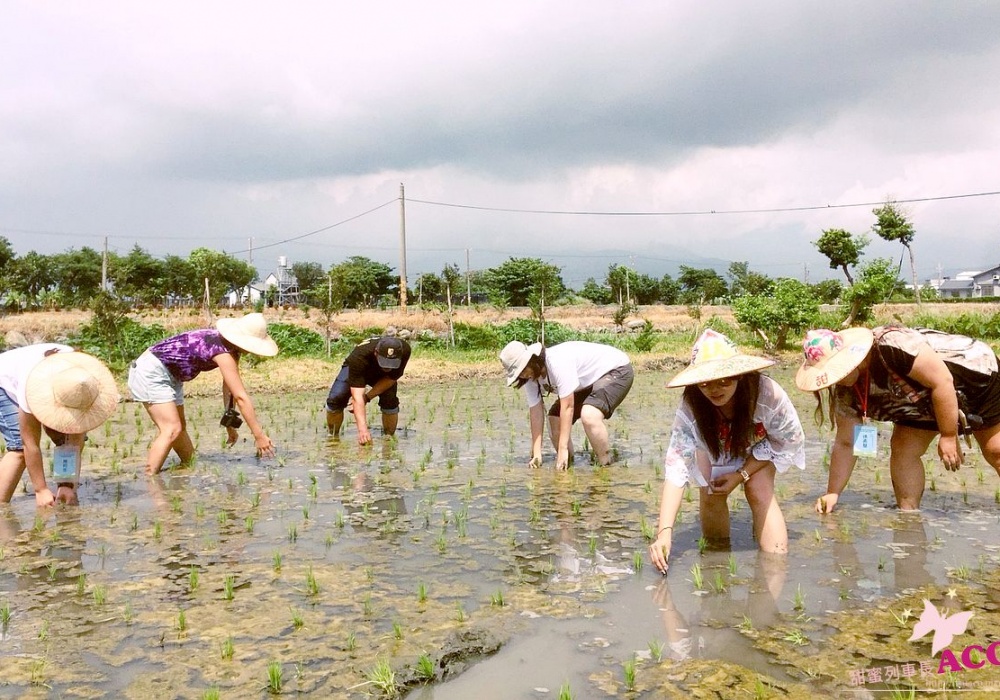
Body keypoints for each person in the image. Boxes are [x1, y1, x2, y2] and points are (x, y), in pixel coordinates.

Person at [795, 325, 1000, 513]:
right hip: (920, 400)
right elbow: (846, 443)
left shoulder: (890, 346)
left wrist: (948, 434)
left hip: (974, 380)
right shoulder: (846, 390)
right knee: (903, 449)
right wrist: (833, 492)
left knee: (995, 450)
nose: (836, 379)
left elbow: (942, 381)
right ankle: (909, 515)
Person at [649, 330, 804, 575]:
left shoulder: (766, 394)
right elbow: (677, 462)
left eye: (724, 380)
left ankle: (774, 577)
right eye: (705, 382)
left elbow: (788, 439)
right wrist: (664, 532)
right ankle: (717, 567)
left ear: (740, 376)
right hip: (713, 446)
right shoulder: (692, 404)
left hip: (759, 445)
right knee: (711, 491)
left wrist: (742, 474)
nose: (714, 389)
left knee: (759, 490)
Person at [128, 313, 279, 475]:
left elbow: (230, 389)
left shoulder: (230, 349)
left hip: (171, 375)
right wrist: (259, 435)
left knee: (180, 430)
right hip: (152, 371)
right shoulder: (223, 353)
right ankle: (151, 480)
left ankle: (186, 470)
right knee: (171, 428)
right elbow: (241, 397)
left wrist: (229, 423)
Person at [0, 344, 119, 506]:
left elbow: (74, 441)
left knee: (66, 436)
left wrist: (67, 485)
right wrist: (40, 489)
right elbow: (30, 444)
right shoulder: (32, 386)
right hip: (3, 379)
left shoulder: (83, 382)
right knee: (19, 448)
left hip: (50, 379)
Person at [499, 340, 634, 470]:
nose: (523, 375)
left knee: (589, 415)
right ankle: (567, 464)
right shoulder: (530, 377)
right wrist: (537, 453)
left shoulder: (557, 362)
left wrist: (562, 448)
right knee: (554, 419)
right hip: (584, 383)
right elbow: (536, 412)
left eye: (523, 370)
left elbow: (568, 407)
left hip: (616, 370)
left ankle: (605, 465)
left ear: (532, 360)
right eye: (519, 374)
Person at [325, 336, 411, 445]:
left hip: (383, 376)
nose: (388, 367)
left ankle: (388, 440)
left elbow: (391, 378)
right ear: (376, 353)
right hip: (359, 368)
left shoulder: (404, 350)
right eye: (385, 362)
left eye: (391, 363)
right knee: (336, 398)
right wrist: (363, 431)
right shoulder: (359, 357)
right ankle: (333, 438)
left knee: (390, 399)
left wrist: (367, 397)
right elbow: (357, 397)